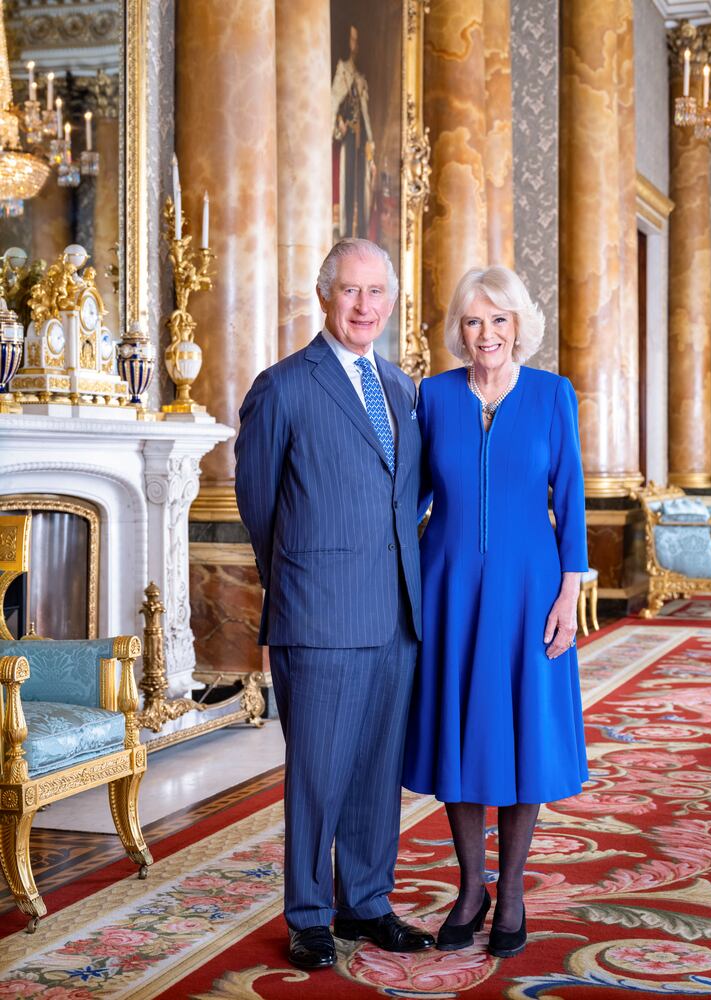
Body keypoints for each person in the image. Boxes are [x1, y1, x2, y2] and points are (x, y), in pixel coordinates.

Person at [235, 239, 434, 971]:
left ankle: (369, 902)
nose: (363, 306)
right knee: (317, 774)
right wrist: (301, 582)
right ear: (325, 295)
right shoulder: (283, 386)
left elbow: (406, 496)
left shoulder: (401, 387)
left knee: (379, 771)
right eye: (350, 291)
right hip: (317, 616)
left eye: (376, 292)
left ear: (390, 299)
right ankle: (311, 916)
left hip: (396, 616)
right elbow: (259, 508)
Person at [402, 266, 589, 960]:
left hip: (531, 588)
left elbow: (568, 499)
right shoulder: (434, 397)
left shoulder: (551, 395)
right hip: (447, 584)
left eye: (500, 320)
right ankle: (470, 886)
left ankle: (510, 891)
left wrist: (569, 595)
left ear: (519, 326)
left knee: (523, 733)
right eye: (475, 322)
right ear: (461, 329)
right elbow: (411, 499)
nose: (488, 335)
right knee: (460, 730)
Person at [332, 24, 375, 239]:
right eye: (352, 39)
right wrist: (339, 123)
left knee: (360, 188)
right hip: (346, 141)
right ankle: (346, 232)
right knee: (346, 186)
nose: (355, 45)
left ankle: (358, 234)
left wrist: (370, 147)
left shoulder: (360, 78)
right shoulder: (342, 71)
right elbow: (333, 106)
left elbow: (365, 117)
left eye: (357, 40)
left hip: (359, 141)